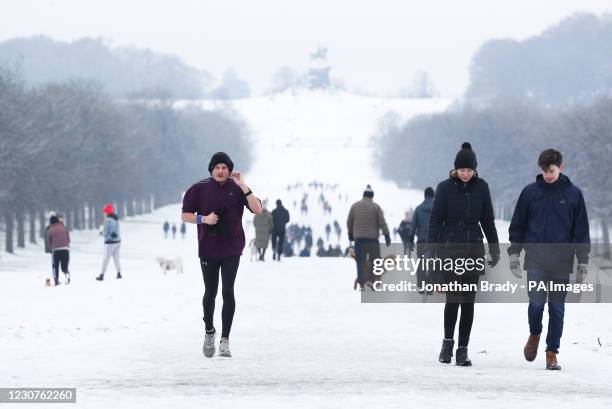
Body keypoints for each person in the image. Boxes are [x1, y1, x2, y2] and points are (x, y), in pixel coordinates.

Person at [508, 148, 590, 371]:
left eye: (552, 171)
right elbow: (518, 225)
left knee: (557, 309)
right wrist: (514, 254)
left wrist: (582, 261)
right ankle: (534, 334)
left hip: (562, 263)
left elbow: (581, 231)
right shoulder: (530, 193)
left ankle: (552, 352)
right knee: (535, 305)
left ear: (561, 167)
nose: (548, 175)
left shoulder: (574, 195)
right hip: (535, 260)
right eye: (544, 171)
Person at [181, 152, 262, 358]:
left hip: (232, 248)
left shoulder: (237, 189)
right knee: (210, 292)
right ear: (211, 169)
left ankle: (225, 340)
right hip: (208, 247)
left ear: (229, 170)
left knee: (228, 291)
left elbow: (257, 209)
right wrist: (203, 219)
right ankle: (209, 331)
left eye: (224, 168)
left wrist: (243, 185)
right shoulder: (198, 188)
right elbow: (185, 215)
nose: (221, 171)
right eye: (217, 167)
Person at [427, 142, 500, 367]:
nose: (466, 174)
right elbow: (436, 219)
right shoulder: (444, 187)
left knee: (468, 301)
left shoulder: (482, 187)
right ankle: (447, 344)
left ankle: (462, 349)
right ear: (455, 169)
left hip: (474, 248)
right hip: (450, 249)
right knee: (453, 298)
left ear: (475, 170)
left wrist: (494, 246)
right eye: (462, 170)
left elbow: (487, 219)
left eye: (469, 170)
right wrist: (430, 249)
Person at [346, 184, 390, 290]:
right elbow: (382, 223)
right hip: (372, 240)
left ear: (363, 195)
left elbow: (349, 222)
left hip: (359, 239)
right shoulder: (376, 207)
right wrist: (387, 235)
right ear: (372, 196)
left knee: (360, 261)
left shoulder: (355, 206)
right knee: (375, 261)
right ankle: (374, 281)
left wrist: (350, 234)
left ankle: (361, 283)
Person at [408, 187, 435, 293]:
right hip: (434, 241)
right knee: (433, 262)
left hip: (421, 240)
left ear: (424, 195)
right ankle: (430, 286)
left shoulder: (418, 209)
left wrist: (410, 239)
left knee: (421, 262)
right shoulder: (437, 208)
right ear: (433, 196)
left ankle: (421, 284)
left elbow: (413, 226)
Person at [96, 204, 122, 281]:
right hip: (118, 241)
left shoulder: (108, 220)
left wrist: (101, 233)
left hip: (110, 242)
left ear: (106, 212)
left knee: (106, 258)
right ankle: (119, 273)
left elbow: (106, 232)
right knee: (116, 258)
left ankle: (102, 274)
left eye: (104, 211)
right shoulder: (116, 219)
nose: (104, 213)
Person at [47, 215, 71, 286]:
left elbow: (49, 242)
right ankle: (66, 273)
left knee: (55, 266)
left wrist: (51, 248)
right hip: (65, 249)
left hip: (56, 250)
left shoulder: (50, 230)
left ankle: (56, 280)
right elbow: (68, 239)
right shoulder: (64, 228)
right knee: (64, 266)